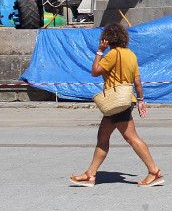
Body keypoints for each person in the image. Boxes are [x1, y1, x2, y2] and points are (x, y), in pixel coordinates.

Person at [68, 22, 164, 187]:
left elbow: (95, 71)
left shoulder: (112, 54)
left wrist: (99, 51)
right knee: (103, 137)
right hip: (125, 100)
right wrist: (141, 100)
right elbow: (137, 81)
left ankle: (154, 171)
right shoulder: (131, 55)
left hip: (116, 102)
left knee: (131, 138)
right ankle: (90, 174)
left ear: (108, 39)